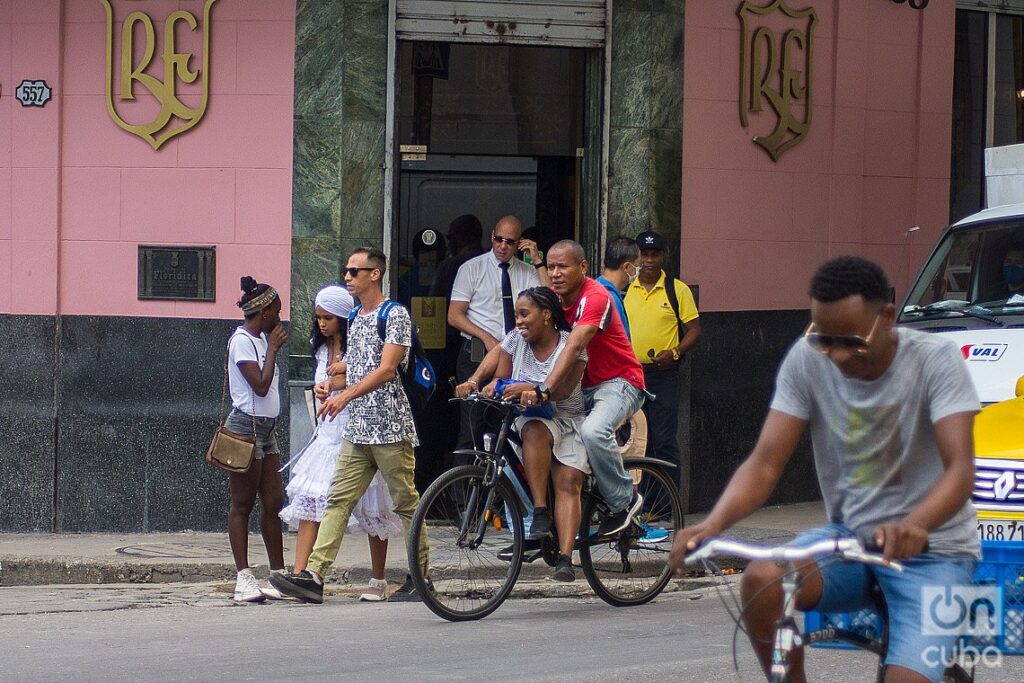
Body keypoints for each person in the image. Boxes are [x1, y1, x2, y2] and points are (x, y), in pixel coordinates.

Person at [669, 256, 981, 683]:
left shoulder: (936, 360)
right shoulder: (806, 359)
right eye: (823, 338)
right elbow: (765, 463)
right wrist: (714, 524)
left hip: (934, 552)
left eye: (850, 340)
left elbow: (960, 471)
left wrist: (916, 525)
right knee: (763, 580)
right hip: (849, 542)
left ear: (887, 316)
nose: (834, 354)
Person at [270, 248, 430, 604]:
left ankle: (421, 577)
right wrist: (335, 384)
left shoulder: (395, 314)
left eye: (354, 271)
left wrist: (344, 395)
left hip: (388, 426)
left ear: (375, 274)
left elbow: (388, 369)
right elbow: (358, 367)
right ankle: (313, 576)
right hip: (358, 429)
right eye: (346, 270)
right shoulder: (356, 314)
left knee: (405, 503)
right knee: (338, 500)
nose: (347, 277)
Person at [278, 285, 402, 602]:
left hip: (358, 428)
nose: (322, 323)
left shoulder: (359, 344)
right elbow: (323, 381)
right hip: (328, 433)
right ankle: (302, 573)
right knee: (312, 501)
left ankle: (378, 578)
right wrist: (322, 389)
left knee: (374, 507)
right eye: (318, 317)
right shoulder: (320, 349)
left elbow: (372, 373)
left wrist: (335, 383)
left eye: (328, 318)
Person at [457, 287, 589, 582]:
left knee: (568, 479)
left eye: (524, 314)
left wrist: (530, 387)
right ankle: (540, 511)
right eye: (516, 314)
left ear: (546, 314)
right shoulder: (517, 339)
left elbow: (564, 389)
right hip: (533, 422)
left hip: (567, 420)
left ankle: (566, 558)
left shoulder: (570, 345)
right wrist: (480, 382)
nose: (518, 321)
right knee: (532, 430)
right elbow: (501, 371)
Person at [544, 240, 646, 536]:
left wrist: (546, 388)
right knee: (532, 432)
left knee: (593, 431)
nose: (555, 274)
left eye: (562, 266)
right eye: (550, 267)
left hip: (620, 383)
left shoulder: (597, 296)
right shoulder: (551, 299)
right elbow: (521, 333)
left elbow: (575, 345)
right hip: (579, 388)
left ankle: (625, 501)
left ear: (583, 267)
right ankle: (541, 519)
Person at [448, 215, 549, 454]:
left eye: (510, 242)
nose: (503, 246)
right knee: (471, 427)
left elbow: (550, 300)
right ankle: (462, 489)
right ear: (492, 236)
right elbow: (454, 315)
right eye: (499, 240)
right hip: (477, 351)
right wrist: (486, 337)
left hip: (515, 354)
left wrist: (537, 261)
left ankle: (498, 487)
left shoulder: (526, 271)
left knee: (504, 425)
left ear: (519, 243)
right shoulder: (472, 268)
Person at [225, 276, 288, 603]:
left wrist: (272, 347)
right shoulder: (242, 342)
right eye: (277, 310)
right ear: (264, 312)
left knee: (274, 502)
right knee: (243, 503)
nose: (280, 315)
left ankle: (278, 575)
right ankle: (243, 578)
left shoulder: (262, 340)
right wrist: (274, 349)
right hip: (244, 429)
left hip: (267, 430)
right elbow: (260, 386)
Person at [623, 230, 701, 472]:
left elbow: (695, 331)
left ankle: (668, 507)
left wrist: (675, 353)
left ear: (662, 257)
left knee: (662, 440)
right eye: (643, 254)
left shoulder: (677, 290)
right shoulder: (625, 289)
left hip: (662, 377)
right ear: (635, 258)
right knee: (634, 442)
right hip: (630, 376)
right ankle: (641, 505)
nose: (648, 260)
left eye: (654, 254)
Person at [596, 236, 640, 339]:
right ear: (627, 267)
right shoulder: (609, 298)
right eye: (638, 266)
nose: (638, 271)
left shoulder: (597, 289)